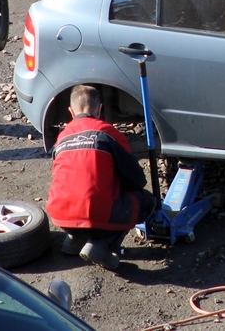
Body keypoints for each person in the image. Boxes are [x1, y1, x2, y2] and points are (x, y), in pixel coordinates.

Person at [46, 84, 155, 271]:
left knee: (82, 198)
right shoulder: (108, 132)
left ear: (71, 111)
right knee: (145, 200)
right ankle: (102, 245)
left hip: (60, 214)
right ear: (99, 109)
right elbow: (135, 179)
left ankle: (74, 239)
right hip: (97, 214)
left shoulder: (62, 137)